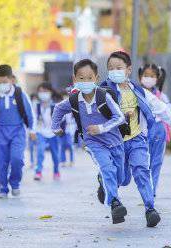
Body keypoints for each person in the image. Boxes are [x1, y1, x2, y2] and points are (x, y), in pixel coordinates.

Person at [100, 51, 171, 227]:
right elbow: (96, 114)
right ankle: (105, 182)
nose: (114, 71)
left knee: (141, 170)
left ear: (128, 69)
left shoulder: (138, 91)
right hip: (115, 141)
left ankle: (150, 209)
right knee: (122, 178)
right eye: (110, 68)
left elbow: (158, 105)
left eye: (118, 68)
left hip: (137, 138)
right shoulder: (103, 91)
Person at [52, 59, 128, 224]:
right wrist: (55, 126)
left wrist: (101, 128)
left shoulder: (104, 96)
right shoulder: (73, 100)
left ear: (96, 78)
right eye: (81, 78)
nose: (85, 82)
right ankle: (115, 203)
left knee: (120, 177)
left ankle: (103, 182)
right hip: (93, 143)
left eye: (89, 78)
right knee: (107, 168)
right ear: (74, 79)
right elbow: (58, 109)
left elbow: (120, 117)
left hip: (115, 142)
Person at [0, 65, 35, 198]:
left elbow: (29, 113)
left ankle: (15, 183)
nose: (1, 85)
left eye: (4, 82)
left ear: (12, 80)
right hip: (0, 132)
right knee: (1, 161)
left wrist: (31, 129)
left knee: (17, 159)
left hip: (18, 131)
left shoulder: (20, 94)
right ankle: (3, 187)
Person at [139, 64, 171, 196]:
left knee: (156, 163)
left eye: (152, 76)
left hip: (159, 133)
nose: (148, 78)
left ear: (157, 78)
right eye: (146, 75)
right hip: (142, 133)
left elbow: (170, 113)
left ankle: (151, 191)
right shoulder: (136, 94)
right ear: (140, 76)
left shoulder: (162, 97)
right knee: (143, 164)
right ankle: (145, 189)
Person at [34, 83, 61, 181]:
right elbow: (33, 118)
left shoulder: (56, 105)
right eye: (40, 91)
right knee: (40, 151)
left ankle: (56, 171)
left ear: (50, 92)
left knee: (55, 154)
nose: (43, 94)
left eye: (45, 91)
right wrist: (32, 131)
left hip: (53, 133)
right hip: (40, 131)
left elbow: (61, 119)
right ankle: (38, 172)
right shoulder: (36, 105)